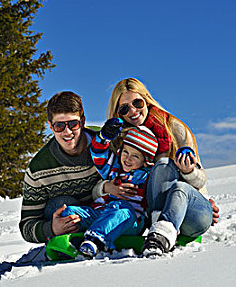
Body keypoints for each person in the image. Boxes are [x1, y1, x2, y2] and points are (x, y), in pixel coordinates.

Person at [104, 77, 220, 256]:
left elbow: (201, 179)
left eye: (137, 103)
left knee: (167, 169)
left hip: (187, 207)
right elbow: (104, 170)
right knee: (162, 169)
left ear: (146, 99)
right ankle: (160, 232)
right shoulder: (120, 140)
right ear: (119, 113)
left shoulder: (173, 128)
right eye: (125, 108)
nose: (133, 111)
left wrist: (190, 175)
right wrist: (105, 188)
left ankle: (162, 230)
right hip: (148, 213)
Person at [62, 119, 158, 257]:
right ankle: (72, 237)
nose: (128, 159)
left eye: (135, 156)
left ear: (146, 161)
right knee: (70, 211)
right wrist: (104, 136)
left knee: (121, 207)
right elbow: (99, 155)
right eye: (126, 152)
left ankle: (95, 240)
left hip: (129, 220)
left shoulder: (147, 177)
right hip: (102, 213)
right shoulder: (114, 169)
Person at [19, 91, 103, 243]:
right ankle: (73, 245)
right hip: (70, 223)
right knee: (62, 205)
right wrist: (51, 228)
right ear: (51, 126)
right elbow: (26, 225)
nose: (67, 131)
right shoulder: (38, 169)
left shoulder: (104, 143)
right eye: (59, 126)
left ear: (82, 121)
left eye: (73, 124)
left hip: (103, 212)